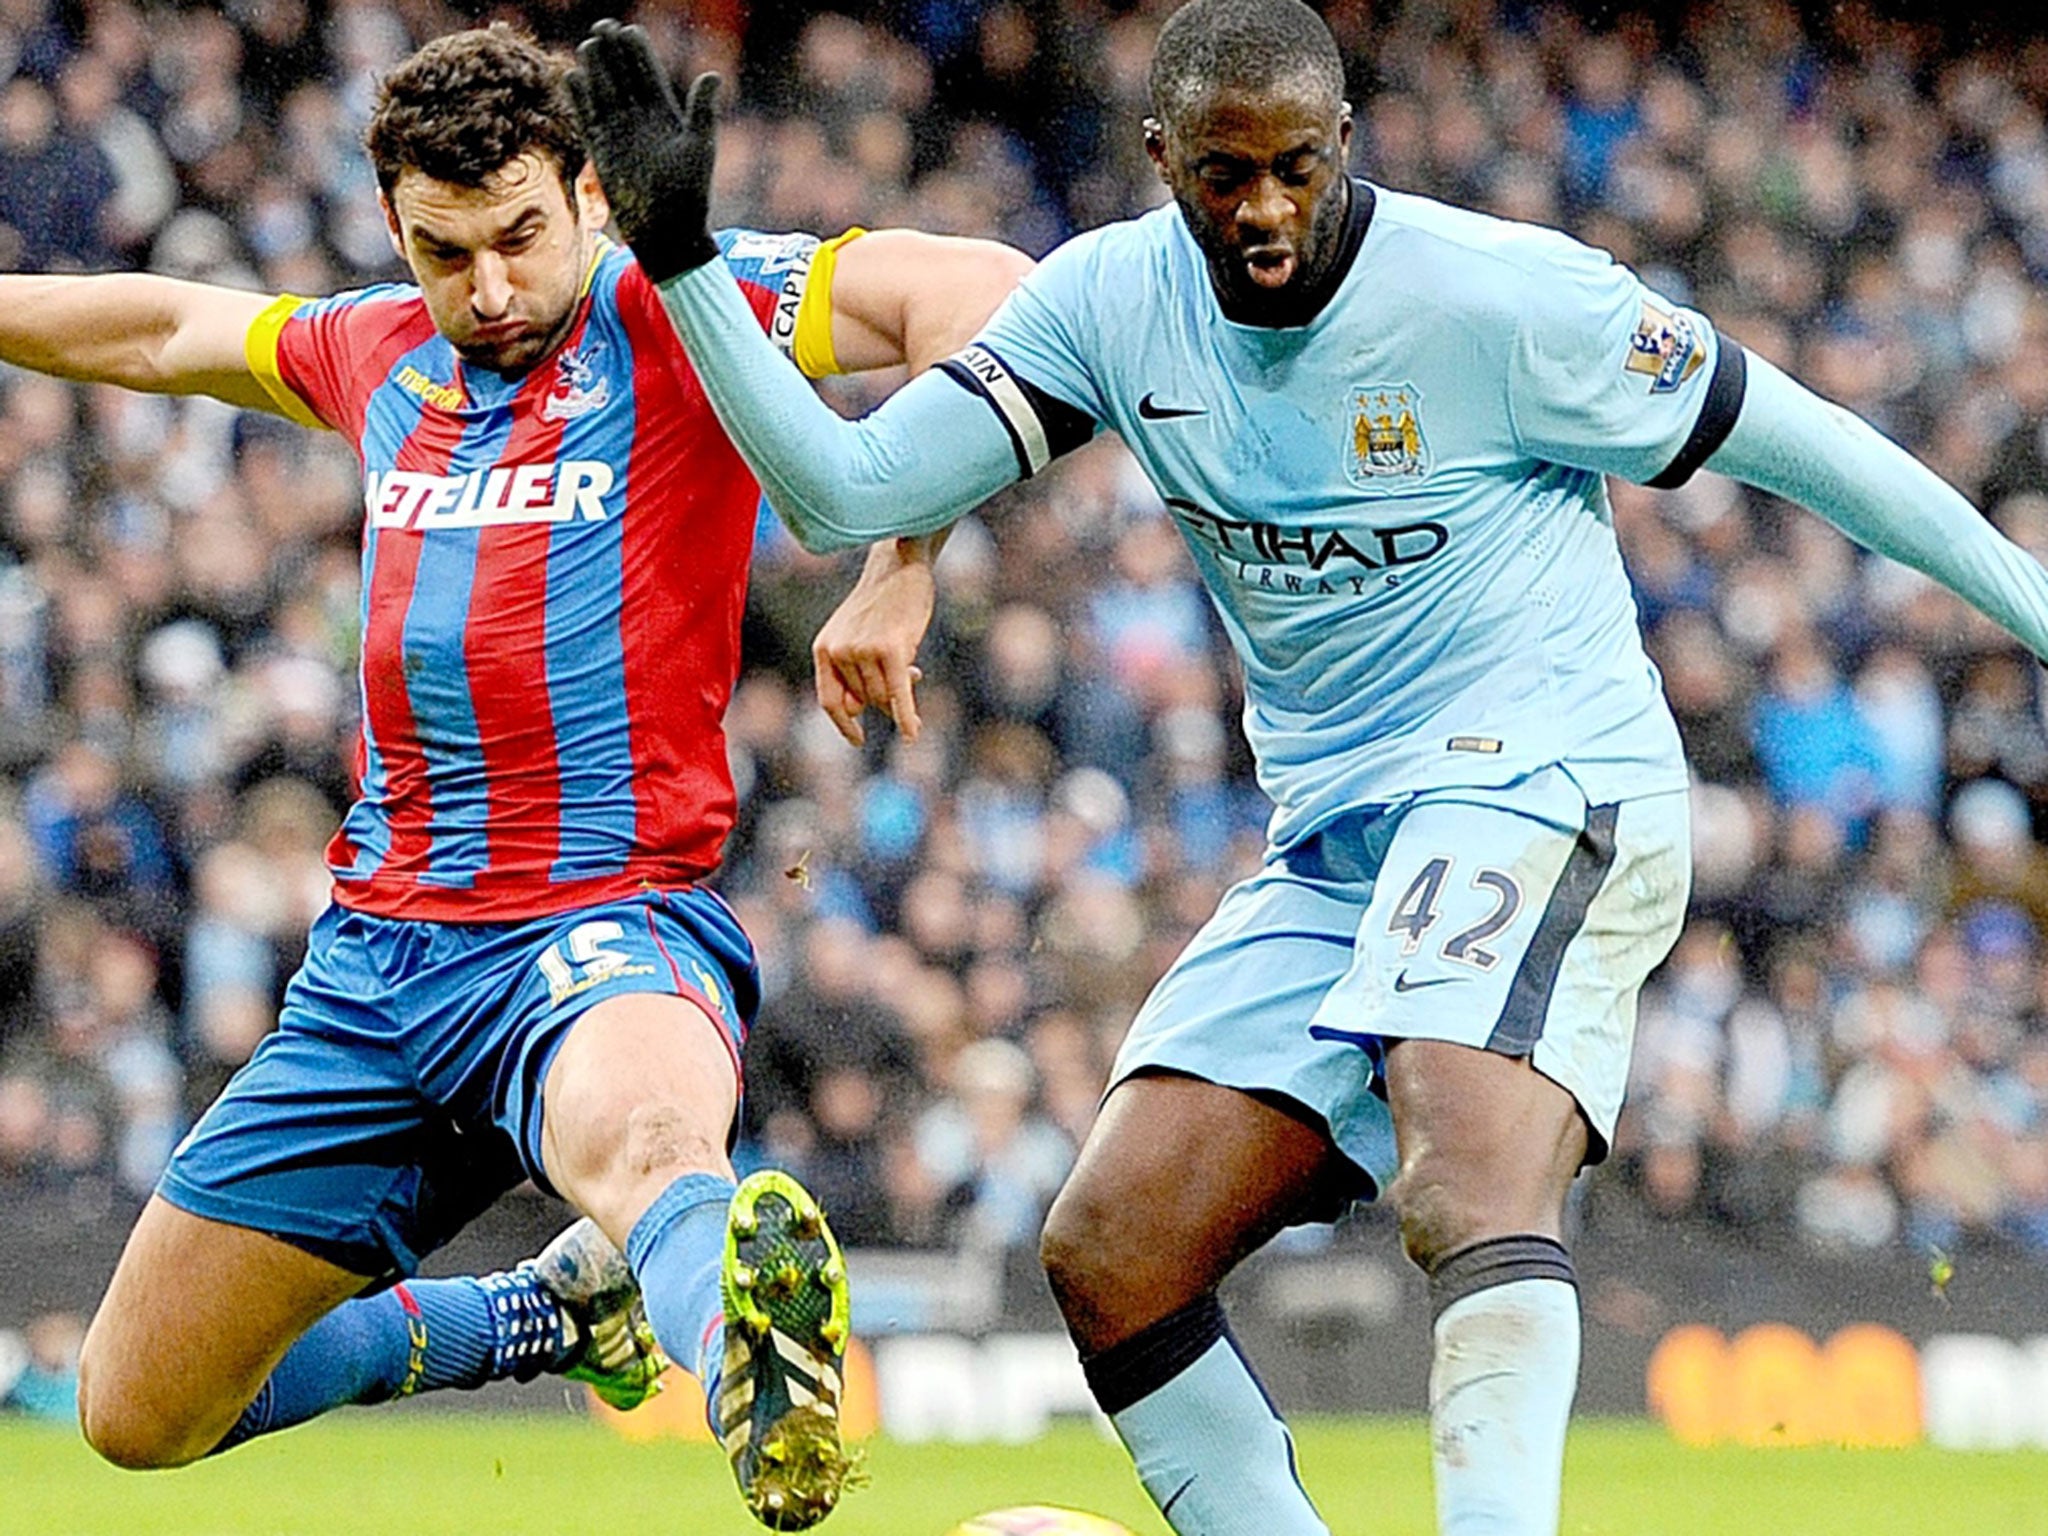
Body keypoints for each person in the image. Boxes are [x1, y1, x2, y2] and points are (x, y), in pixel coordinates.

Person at [571, 3, 2048, 1533]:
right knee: (1113, 1248)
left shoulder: (1499, 296)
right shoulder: (1108, 306)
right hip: (1336, 836)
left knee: (1468, 1159)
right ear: (1162, 160)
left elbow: (1814, 449)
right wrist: (683, 265)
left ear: (1345, 146)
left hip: (1541, 770)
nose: (1262, 208)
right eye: (1222, 175)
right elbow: (841, 491)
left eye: (1294, 169)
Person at [0, 25, 1025, 1530]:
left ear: (590, 194)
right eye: (444, 251)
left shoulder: (688, 303)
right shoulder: (378, 350)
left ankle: (745, 1350)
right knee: (136, 1410)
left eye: (521, 237)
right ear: (398, 230)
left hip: (598, 927)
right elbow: (161, 331)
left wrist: (903, 547)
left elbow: (979, 292)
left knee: (656, 1149)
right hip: (373, 967)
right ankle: (544, 1320)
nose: (486, 289)